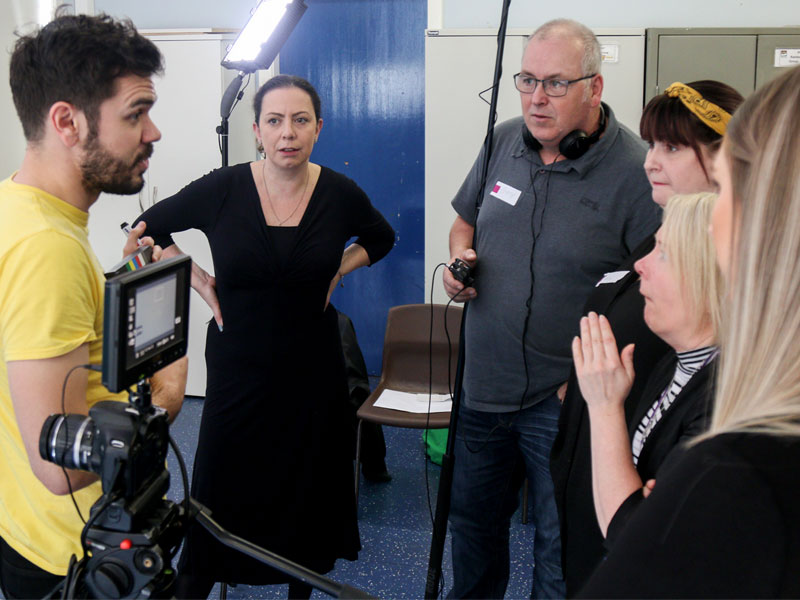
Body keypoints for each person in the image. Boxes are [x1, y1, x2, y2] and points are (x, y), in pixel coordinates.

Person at [134, 74, 395, 599]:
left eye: (300, 120)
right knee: (220, 488)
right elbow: (145, 228)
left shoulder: (339, 194)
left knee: (304, 491)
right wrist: (196, 278)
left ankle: (300, 582)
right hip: (239, 368)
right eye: (274, 121)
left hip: (312, 369)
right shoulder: (224, 188)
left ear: (318, 128)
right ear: (256, 130)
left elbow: (381, 237)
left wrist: (339, 268)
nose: (287, 133)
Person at [442, 19, 660, 598]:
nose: (537, 98)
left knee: (558, 546)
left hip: (564, 400)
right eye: (527, 80)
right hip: (483, 385)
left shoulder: (636, 172)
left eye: (556, 84)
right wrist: (459, 261)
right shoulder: (502, 141)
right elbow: (464, 222)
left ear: (595, 87)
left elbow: (652, 293)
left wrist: (585, 384)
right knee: (472, 529)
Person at [578, 63, 800, 599]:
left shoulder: (737, 460)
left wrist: (677, 493)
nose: (651, 161)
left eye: (732, 188)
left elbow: (635, 540)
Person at [0, 14, 187, 600]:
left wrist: (111, 282)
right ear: (67, 121)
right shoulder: (47, 249)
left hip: (26, 531)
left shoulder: (17, 206)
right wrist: (169, 393)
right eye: (135, 114)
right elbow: (58, 467)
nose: (153, 132)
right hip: (75, 556)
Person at [549, 79, 743, 595]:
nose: (651, 161)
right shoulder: (653, 238)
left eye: (672, 147)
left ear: (725, 158)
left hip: (632, 485)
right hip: (604, 464)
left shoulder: (729, 276)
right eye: (652, 144)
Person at [573, 192, 723, 539]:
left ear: (710, 278)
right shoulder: (674, 363)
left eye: (664, 254)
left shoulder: (720, 405)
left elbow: (635, 536)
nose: (640, 265)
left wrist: (604, 406)